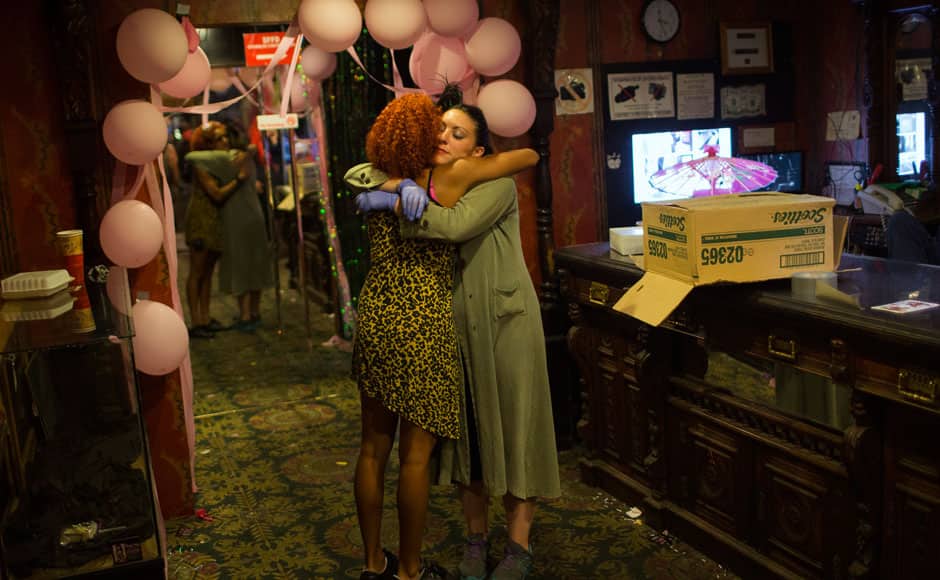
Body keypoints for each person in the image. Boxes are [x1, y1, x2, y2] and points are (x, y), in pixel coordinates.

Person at [355, 101, 560, 580]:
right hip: (444, 322)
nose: (445, 137)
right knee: (466, 436)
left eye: (459, 133)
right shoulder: (425, 177)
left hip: (503, 319)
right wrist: (394, 186)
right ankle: (473, 539)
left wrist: (391, 194)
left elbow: (455, 224)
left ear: (479, 150)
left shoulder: (491, 183)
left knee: (514, 429)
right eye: (439, 129)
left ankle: (517, 546)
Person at [183, 121, 250, 338]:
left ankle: (205, 316)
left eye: (225, 137)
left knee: (208, 271)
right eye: (220, 138)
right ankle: (196, 321)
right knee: (197, 271)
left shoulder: (217, 161)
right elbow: (216, 193)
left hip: (215, 218)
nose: (225, 141)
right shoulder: (201, 163)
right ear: (208, 143)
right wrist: (239, 180)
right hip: (202, 218)